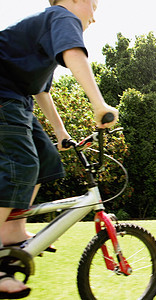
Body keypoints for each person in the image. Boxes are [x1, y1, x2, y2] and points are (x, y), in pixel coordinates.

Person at [0, 0, 117, 297]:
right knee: (20, 166)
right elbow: (74, 54)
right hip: (3, 95)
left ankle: (12, 231)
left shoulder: (47, 28)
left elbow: (41, 89)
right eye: (93, 5)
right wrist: (98, 104)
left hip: (17, 98)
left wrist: (61, 131)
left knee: (46, 160)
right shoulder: (61, 16)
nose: (94, 16)